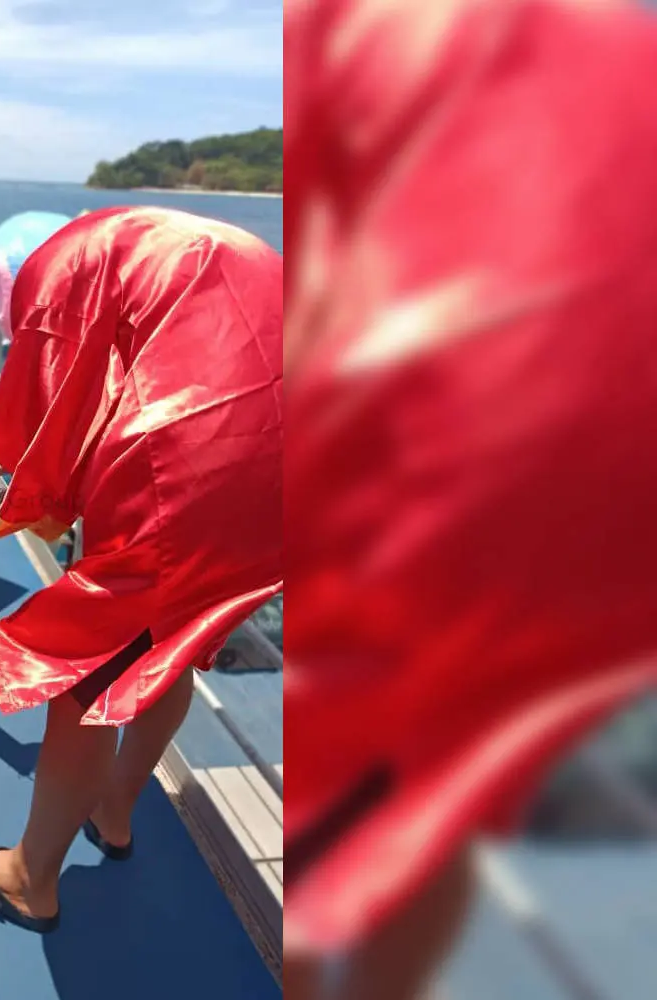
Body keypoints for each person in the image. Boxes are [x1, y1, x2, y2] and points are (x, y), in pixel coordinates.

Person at [283, 1, 657, 997]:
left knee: (347, 795)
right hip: (576, 514)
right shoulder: (610, 56)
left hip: (438, 490)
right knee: (434, 801)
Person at [0, 206, 283, 932]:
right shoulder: (148, 244)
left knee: (82, 672)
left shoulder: (58, 268)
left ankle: (29, 880)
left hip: (197, 462)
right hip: (293, 450)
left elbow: (49, 395)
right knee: (167, 642)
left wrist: (10, 457)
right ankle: (114, 805)